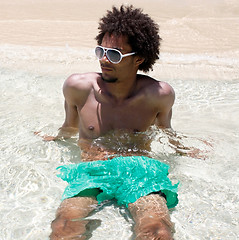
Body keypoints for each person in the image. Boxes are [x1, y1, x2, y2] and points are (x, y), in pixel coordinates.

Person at [47, 5, 178, 240]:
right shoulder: (78, 87)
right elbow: (68, 126)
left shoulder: (158, 95)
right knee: (64, 225)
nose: (104, 59)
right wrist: (53, 139)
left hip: (140, 171)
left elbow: (166, 132)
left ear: (138, 58)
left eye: (115, 54)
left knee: (157, 229)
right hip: (91, 171)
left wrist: (187, 149)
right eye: (101, 51)